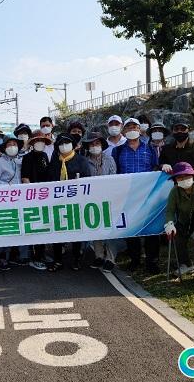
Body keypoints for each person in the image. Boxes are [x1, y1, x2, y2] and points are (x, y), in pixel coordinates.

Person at [112, 117, 160, 273]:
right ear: (124, 130)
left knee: (151, 228)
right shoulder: (118, 150)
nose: (132, 129)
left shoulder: (150, 149)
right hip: (128, 196)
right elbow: (115, 173)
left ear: (140, 130)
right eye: (129, 127)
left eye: (135, 127)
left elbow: (155, 168)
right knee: (131, 228)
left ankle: (152, 262)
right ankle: (134, 260)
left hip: (148, 195)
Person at [47, 133, 90, 271]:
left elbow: (87, 181)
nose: (64, 146)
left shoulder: (81, 160)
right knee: (57, 231)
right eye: (61, 143)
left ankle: (76, 259)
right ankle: (58, 260)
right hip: (57, 202)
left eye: (67, 142)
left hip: (76, 201)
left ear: (73, 144)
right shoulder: (54, 161)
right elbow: (49, 181)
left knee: (76, 231)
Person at [82, 133, 118, 271]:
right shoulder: (85, 161)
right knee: (95, 227)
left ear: (102, 145)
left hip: (108, 198)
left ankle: (110, 258)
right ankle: (99, 256)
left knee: (109, 228)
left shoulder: (109, 159)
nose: (94, 146)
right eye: (91, 144)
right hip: (91, 199)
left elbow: (114, 178)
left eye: (97, 143)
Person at [0, 134, 25, 270]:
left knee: (18, 227)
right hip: (5, 200)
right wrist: (6, 186)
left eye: (14, 144)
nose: (12, 147)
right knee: (6, 228)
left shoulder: (21, 161)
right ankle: (3, 257)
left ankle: (16, 255)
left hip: (20, 200)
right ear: (4, 147)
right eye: (9, 145)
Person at [21, 130, 52, 271]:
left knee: (44, 226)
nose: (40, 143)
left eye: (42, 141)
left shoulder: (45, 156)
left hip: (45, 197)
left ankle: (42, 253)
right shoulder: (27, 158)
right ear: (32, 143)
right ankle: (35, 258)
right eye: (37, 141)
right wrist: (33, 195)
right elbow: (25, 178)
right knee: (35, 227)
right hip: (33, 197)